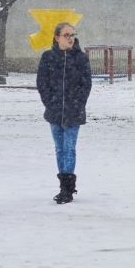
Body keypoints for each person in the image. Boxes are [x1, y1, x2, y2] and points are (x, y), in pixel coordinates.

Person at [37, 23, 92, 204]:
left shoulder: (81, 58)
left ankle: (68, 188)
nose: (70, 38)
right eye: (66, 35)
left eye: (72, 34)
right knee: (59, 148)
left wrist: (78, 104)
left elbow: (86, 84)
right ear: (57, 37)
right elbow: (42, 83)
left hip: (74, 111)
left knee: (69, 148)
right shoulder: (48, 57)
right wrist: (50, 103)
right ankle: (63, 185)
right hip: (55, 111)